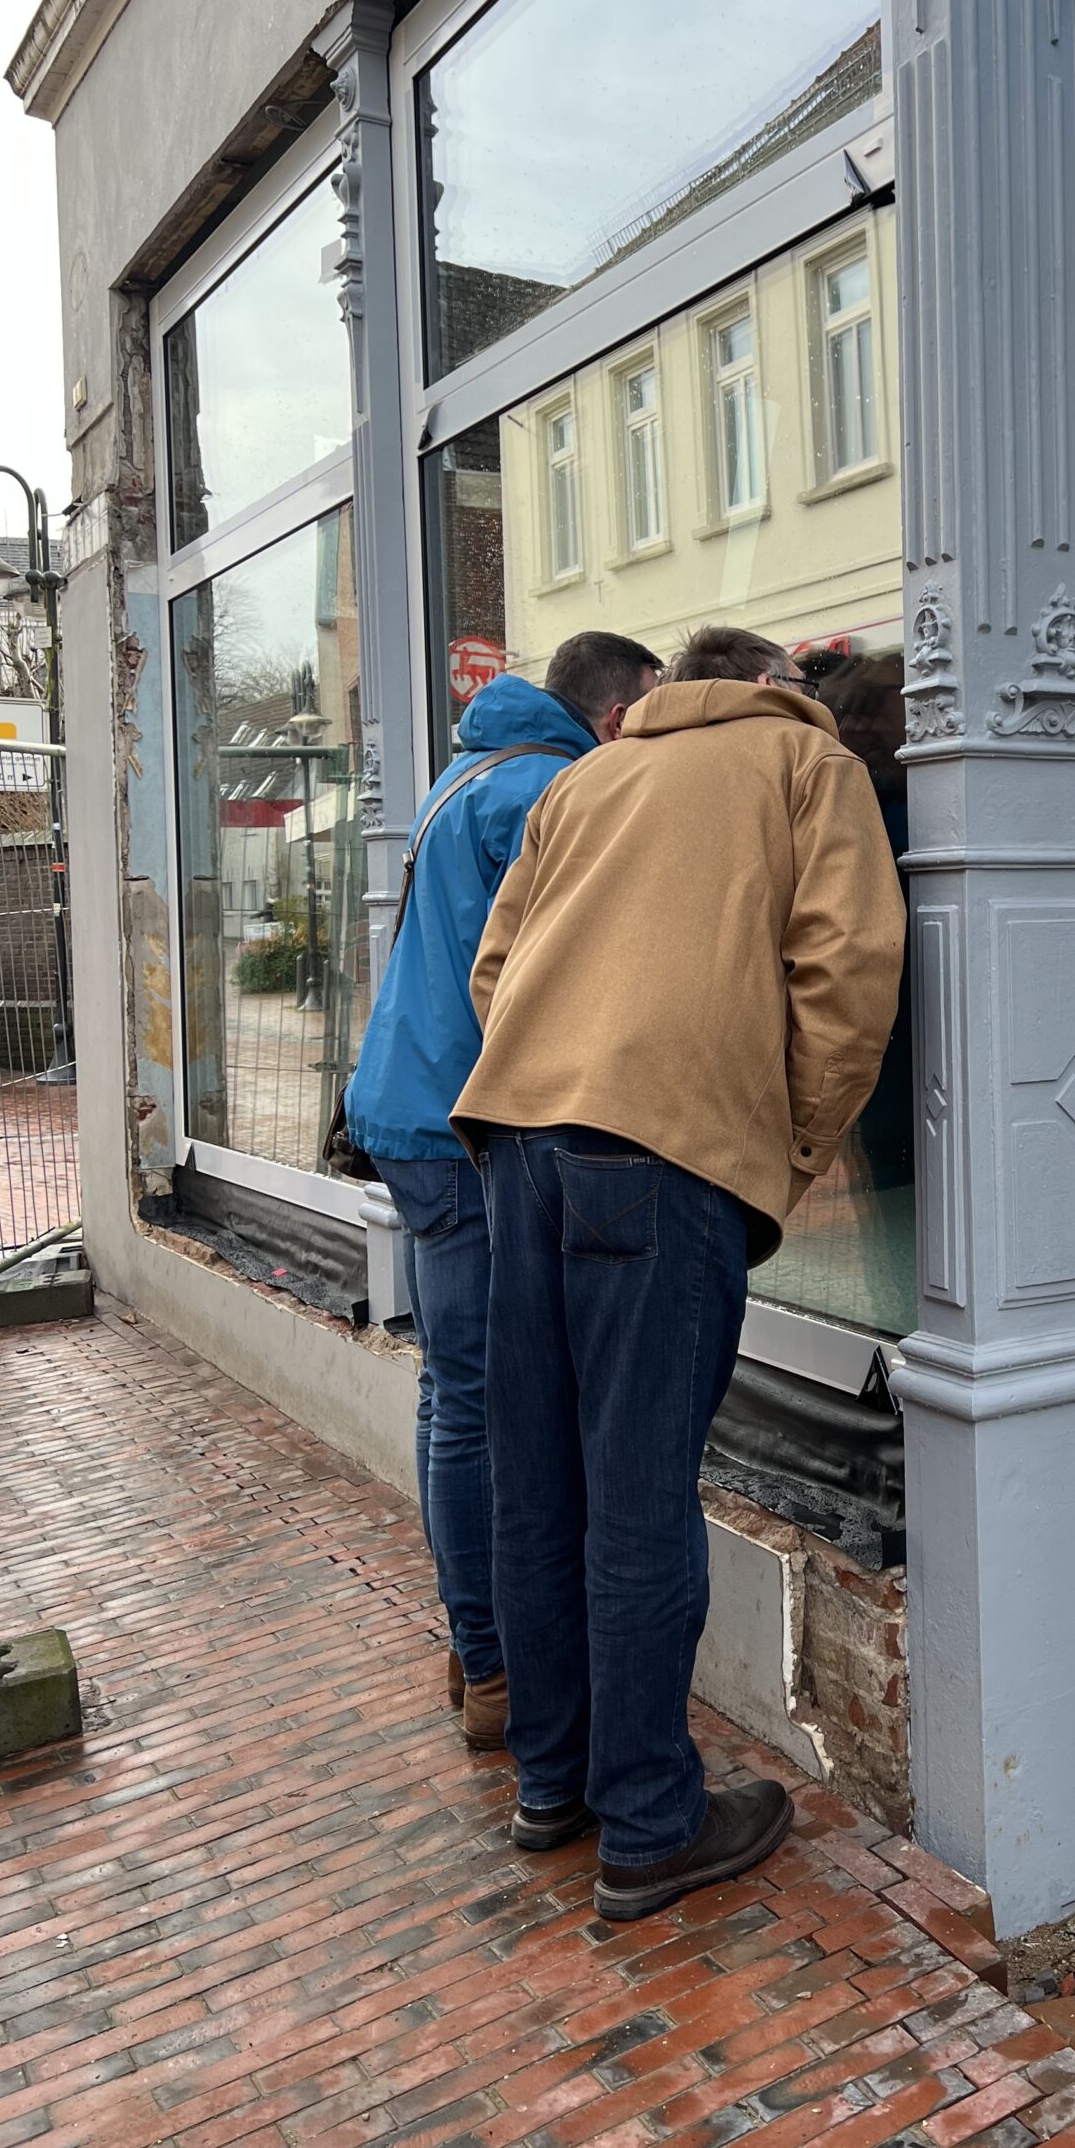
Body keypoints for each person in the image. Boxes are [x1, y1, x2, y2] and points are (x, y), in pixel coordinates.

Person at [453, 624, 905, 1913]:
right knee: (640, 1493)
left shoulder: (587, 777)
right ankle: (651, 1818)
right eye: (804, 683)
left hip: (517, 1140)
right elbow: (850, 972)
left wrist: (564, 1068)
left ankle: (555, 1783)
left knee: (540, 1481)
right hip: (664, 1153)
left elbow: (496, 967)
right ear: (769, 685)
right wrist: (786, 1146)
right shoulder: (808, 767)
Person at [344, 633, 661, 1747]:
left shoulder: (471, 771)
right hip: (461, 1124)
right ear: (615, 719)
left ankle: (473, 1639)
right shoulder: (544, 792)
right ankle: (495, 1667)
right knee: (480, 1403)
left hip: (413, 1109)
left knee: (454, 1394)